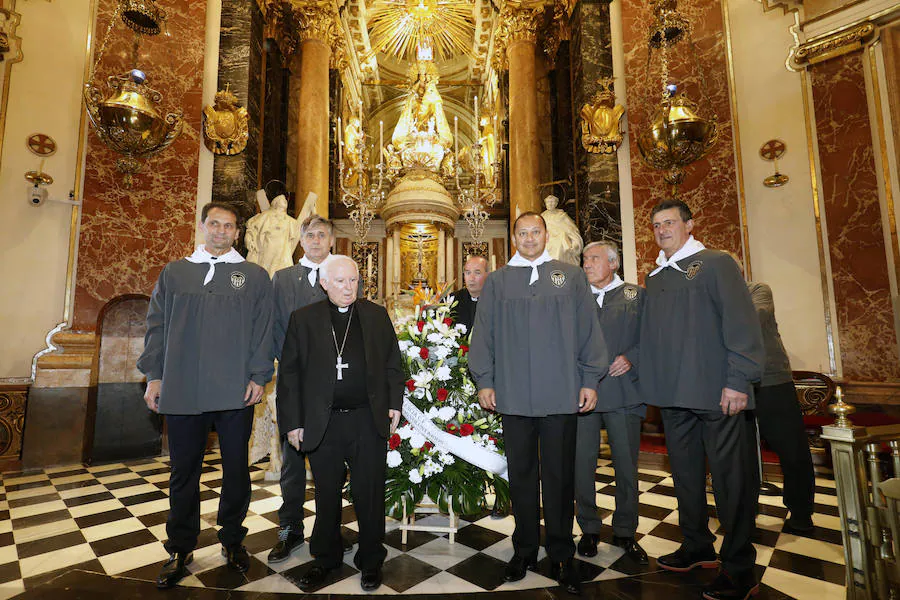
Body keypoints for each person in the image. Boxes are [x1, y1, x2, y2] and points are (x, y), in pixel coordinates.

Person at [469, 212, 607, 595]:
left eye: (536, 231)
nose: (530, 238)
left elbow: (588, 333)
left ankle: (561, 552)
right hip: (512, 398)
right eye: (523, 232)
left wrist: (590, 380)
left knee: (561, 478)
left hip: (561, 395)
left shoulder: (571, 276)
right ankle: (524, 550)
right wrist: (485, 381)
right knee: (522, 478)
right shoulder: (497, 282)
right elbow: (484, 336)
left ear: (547, 235)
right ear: (513, 237)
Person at [138, 202, 274, 589]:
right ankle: (180, 547)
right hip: (182, 389)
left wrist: (258, 376)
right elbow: (156, 326)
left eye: (228, 226)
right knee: (184, 472)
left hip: (236, 390)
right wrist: (154, 377)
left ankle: (232, 540)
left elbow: (264, 331)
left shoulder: (254, 276)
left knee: (236, 470)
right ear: (201, 226)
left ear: (237, 233)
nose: (220, 231)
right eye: (214, 223)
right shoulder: (175, 273)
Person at [639, 199, 764, 600]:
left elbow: (741, 323)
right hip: (674, 396)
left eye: (670, 222)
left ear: (689, 225)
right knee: (686, 476)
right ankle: (696, 545)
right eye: (657, 225)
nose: (662, 230)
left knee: (730, 480)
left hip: (717, 393)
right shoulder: (656, 277)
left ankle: (740, 566)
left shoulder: (715, 263)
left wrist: (737, 380)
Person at [276, 255, 404, 592]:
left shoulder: (375, 316)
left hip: (367, 420)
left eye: (353, 281)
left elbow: (393, 363)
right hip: (323, 423)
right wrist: (292, 423)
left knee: (370, 493)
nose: (348, 288)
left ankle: (371, 559)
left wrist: (394, 404)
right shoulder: (303, 319)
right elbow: (289, 375)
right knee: (327, 494)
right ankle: (326, 558)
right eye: (340, 282)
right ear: (323, 283)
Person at [267, 215, 357, 563]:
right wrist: (291, 370)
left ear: (332, 240)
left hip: (337, 388)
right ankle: (290, 528)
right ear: (301, 240)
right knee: (292, 463)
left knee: (333, 464)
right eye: (310, 235)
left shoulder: (344, 274)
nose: (316, 240)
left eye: (322, 234)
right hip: (298, 387)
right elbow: (276, 327)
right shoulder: (284, 279)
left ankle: (330, 528)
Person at [575, 241, 648, 565]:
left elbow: (653, 337)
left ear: (613, 263)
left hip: (624, 395)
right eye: (584, 259)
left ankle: (625, 531)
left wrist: (632, 358)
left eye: (593, 259)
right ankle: (589, 528)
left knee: (626, 467)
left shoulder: (636, 296)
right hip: (583, 395)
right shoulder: (576, 299)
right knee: (581, 466)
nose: (586, 264)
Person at [743, 270, 816, 532]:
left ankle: (801, 511)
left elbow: (753, 318)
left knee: (791, 449)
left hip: (771, 381)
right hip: (737, 385)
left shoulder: (758, 290)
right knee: (742, 454)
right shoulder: (715, 299)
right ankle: (744, 511)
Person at [541, 195, 583, 266]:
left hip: (559, 240)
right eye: (548, 202)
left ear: (556, 204)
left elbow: (572, 229)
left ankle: (557, 268)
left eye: (552, 202)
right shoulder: (542, 216)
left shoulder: (562, 216)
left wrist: (575, 241)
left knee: (560, 244)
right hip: (545, 240)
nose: (550, 204)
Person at [452, 254, 489, 332]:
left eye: (477, 273)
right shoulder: (453, 300)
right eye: (468, 273)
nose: (471, 278)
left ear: (488, 275)